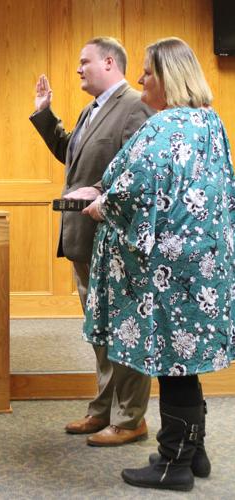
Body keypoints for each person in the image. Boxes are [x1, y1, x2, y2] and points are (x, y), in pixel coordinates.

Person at [83, 37, 235, 491]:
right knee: (184, 364)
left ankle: (174, 464)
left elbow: (131, 190)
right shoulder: (210, 123)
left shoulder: (163, 126)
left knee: (172, 366)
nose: (141, 79)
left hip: (168, 273)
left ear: (167, 77)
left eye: (147, 72)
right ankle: (195, 451)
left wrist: (101, 205)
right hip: (203, 264)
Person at [30, 37, 153, 446]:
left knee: (125, 330)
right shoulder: (91, 109)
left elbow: (139, 169)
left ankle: (130, 417)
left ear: (108, 61)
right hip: (85, 239)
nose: (78, 69)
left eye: (84, 62)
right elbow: (74, 156)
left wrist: (102, 195)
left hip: (118, 242)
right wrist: (46, 117)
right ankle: (102, 411)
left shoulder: (136, 105)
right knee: (100, 331)